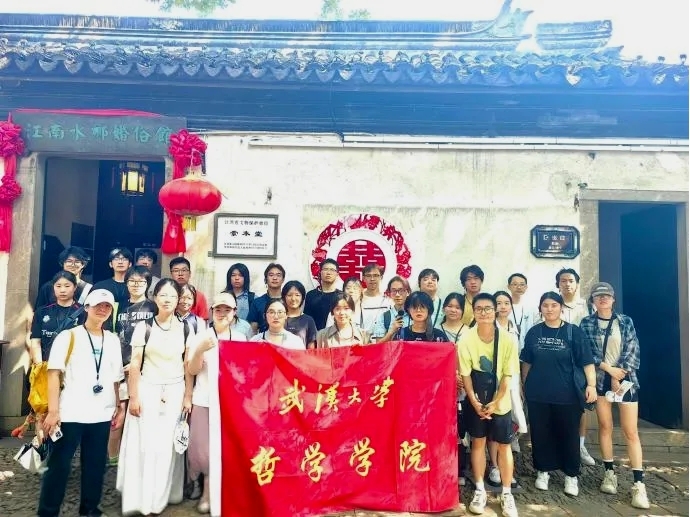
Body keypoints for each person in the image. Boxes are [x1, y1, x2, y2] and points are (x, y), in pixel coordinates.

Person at [37, 289, 125, 517]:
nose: (102, 309)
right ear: (86, 307)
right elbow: (53, 374)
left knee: (95, 465)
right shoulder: (69, 336)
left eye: (107, 306)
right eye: (98, 305)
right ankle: (48, 511)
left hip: (102, 413)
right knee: (59, 465)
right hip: (70, 412)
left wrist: (119, 406)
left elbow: (116, 378)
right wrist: (53, 411)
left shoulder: (112, 340)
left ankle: (90, 509)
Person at [117, 278, 195, 516]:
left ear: (178, 299)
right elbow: (135, 364)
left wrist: (188, 396)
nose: (168, 300)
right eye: (163, 295)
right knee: (145, 445)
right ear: (155, 298)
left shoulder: (186, 328)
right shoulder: (145, 327)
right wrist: (133, 397)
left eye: (172, 295)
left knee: (166, 447)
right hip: (147, 389)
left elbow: (188, 365)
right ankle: (140, 497)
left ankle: (160, 498)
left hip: (175, 391)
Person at [580, 282, 649, 509]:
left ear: (613, 299)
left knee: (631, 431)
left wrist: (620, 373)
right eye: (598, 296)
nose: (603, 299)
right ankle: (609, 473)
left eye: (607, 296)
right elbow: (586, 353)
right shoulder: (586, 323)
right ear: (592, 300)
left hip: (626, 381)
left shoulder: (625, 321)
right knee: (605, 426)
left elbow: (633, 349)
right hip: (600, 380)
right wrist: (609, 371)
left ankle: (638, 483)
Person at [520, 291, 596, 497]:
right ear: (540, 309)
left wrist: (591, 385)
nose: (549, 309)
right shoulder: (534, 332)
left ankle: (571, 475)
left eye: (554, 305)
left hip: (567, 395)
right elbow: (527, 361)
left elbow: (587, 361)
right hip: (538, 394)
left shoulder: (573, 332)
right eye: (545, 305)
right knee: (540, 434)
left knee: (569, 434)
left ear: (561, 307)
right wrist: (524, 385)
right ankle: (542, 471)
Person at [186, 293, 248, 515]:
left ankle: (212, 493)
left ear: (234, 313)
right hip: (203, 399)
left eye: (227, 310)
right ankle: (201, 487)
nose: (222, 314)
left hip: (229, 404)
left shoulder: (240, 338)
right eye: (218, 309)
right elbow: (192, 370)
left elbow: (245, 373)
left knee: (224, 450)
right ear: (211, 312)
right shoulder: (200, 336)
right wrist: (200, 349)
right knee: (202, 449)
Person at [459, 293, 519, 517]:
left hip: (500, 402)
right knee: (478, 443)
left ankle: (506, 493)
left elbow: (508, 374)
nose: (483, 312)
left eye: (488, 308)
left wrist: (496, 401)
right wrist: (474, 401)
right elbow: (465, 374)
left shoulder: (508, 339)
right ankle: (480, 489)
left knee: (504, 445)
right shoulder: (465, 339)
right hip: (476, 399)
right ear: (473, 312)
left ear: (495, 311)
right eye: (479, 309)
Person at [109, 265, 156, 466]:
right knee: (118, 413)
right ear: (126, 283)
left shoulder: (153, 308)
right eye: (132, 281)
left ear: (147, 284)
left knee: (139, 413)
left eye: (141, 281)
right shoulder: (116, 307)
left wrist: (139, 364)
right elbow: (110, 336)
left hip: (145, 369)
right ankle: (113, 458)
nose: (136, 285)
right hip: (119, 368)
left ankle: (136, 457)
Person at [556, 268, 596, 467]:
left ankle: (580, 446)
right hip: (556, 362)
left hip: (580, 363)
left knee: (580, 407)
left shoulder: (587, 307)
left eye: (571, 280)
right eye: (563, 281)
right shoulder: (553, 304)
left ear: (577, 283)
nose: (567, 284)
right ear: (558, 284)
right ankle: (559, 446)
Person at [489, 291, 527, 478]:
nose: (503, 306)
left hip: (512, 379)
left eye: (506, 303)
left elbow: (517, 358)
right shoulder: (488, 327)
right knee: (496, 422)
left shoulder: (514, 327)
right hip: (493, 381)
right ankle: (494, 465)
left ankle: (506, 464)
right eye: (499, 303)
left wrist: (519, 384)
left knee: (511, 421)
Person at [30, 271, 85, 367]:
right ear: (53, 287)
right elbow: (36, 341)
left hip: (73, 365)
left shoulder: (83, 312)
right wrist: (39, 366)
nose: (62, 290)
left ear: (75, 287)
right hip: (47, 364)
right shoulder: (42, 311)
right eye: (58, 286)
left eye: (67, 286)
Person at [92, 247, 133, 328]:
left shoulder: (135, 286)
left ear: (130, 264)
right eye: (116, 259)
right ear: (110, 264)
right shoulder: (100, 286)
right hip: (103, 329)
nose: (120, 262)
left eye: (124, 259)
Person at [304, 258, 342, 330]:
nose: (328, 273)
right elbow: (306, 321)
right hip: (315, 335)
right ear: (320, 272)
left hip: (336, 335)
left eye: (332, 270)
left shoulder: (341, 296)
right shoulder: (311, 295)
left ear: (337, 274)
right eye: (325, 269)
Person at [247, 263, 286, 334]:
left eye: (278, 275)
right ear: (265, 279)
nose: (275, 278)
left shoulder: (288, 301)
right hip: (264, 339)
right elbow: (253, 330)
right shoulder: (257, 302)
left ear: (283, 279)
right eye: (271, 275)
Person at [372, 276, 411, 343]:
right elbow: (378, 344)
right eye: (394, 291)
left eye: (401, 290)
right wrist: (391, 332)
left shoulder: (415, 315)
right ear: (389, 293)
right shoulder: (384, 317)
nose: (397, 295)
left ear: (408, 292)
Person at [282, 280, 318, 348]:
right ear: (284, 297)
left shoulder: (308, 320)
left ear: (302, 298)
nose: (293, 298)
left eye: (297, 295)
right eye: (289, 295)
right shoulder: (279, 318)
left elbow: (311, 349)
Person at [360, 263, 391, 333]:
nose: (372, 279)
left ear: (381, 277)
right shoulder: (358, 297)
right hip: (363, 338)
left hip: (384, 338)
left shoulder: (388, 298)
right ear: (363, 278)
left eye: (376, 275)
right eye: (368, 276)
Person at [506, 273, 534, 352]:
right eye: (515, 284)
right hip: (508, 349)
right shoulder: (504, 307)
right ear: (508, 286)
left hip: (527, 350)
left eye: (522, 284)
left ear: (526, 287)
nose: (519, 287)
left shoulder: (532, 307)